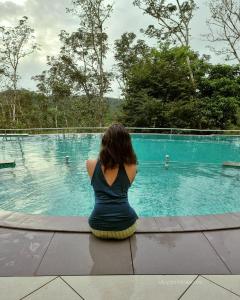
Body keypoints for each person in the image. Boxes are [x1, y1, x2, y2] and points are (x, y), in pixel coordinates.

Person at [86, 123, 139, 240]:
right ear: (127, 145)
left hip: (97, 227)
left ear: (104, 142)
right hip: (126, 228)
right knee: (134, 215)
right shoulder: (132, 166)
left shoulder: (90, 164)